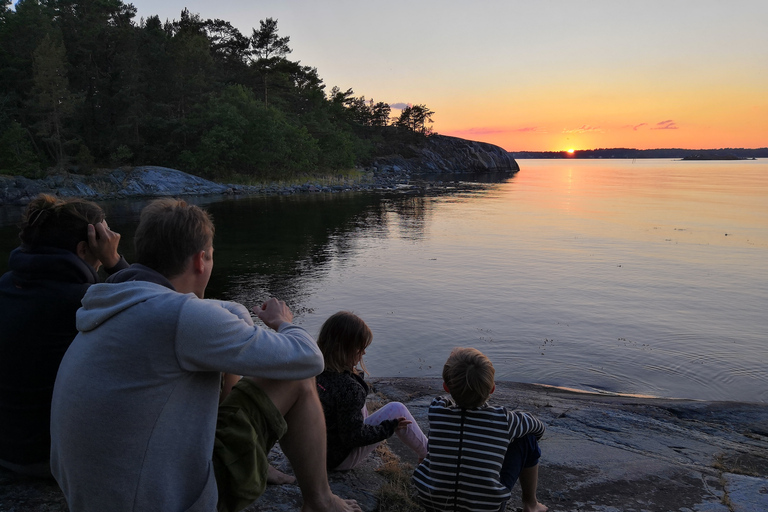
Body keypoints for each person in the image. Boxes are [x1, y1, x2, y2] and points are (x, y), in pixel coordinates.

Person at [50, 198, 360, 512]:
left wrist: (235, 311)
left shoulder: (112, 301)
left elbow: (195, 314)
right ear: (201, 260)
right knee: (297, 377)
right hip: (164, 502)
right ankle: (321, 501)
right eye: (211, 258)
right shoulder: (182, 316)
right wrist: (283, 323)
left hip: (94, 497)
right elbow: (308, 358)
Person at [0, 194, 126, 478]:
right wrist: (114, 261)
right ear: (84, 249)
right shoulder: (83, 302)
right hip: (50, 458)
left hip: (7, 450)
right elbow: (158, 309)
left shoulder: (6, 285)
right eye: (104, 242)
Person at [412, 347, 547, 512]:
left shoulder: (437, 409)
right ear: (492, 389)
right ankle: (531, 505)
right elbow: (538, 428)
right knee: (528, 440)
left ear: (446, 387)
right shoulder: (504, 419)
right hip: (485, 508)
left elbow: (444, 404)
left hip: (434, 503)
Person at [315, 311, 428, 470]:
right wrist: (389, 427)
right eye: (360, 348)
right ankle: (429, 455)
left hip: (313, 452)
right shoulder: (349, 389)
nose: (364, 353)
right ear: (346, 349)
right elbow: (353, 437)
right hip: (336, 459)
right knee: (397, 409)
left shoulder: (314, 371)